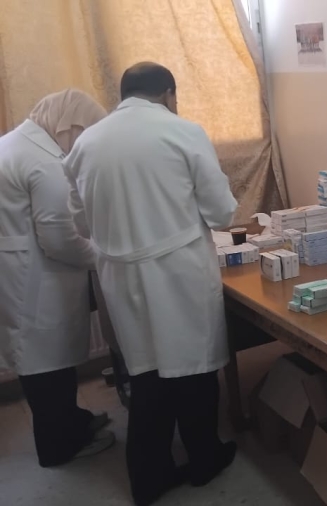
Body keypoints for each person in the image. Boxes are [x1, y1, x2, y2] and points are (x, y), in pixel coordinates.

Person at [64, 62, 238, 506]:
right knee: (195, 369)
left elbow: (80, 222)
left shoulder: (86, 143)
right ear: (167, 93)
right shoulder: (182, 132)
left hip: (121, 276)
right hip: (177, 270)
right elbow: (222, 213)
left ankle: (149, 477)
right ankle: (204, 460)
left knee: (146, 375)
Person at [0, 89, 115, 467]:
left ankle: (73, 421)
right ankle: (59, 447)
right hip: (35, 281)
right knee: (47, 367)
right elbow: (59, 239)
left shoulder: (14, 143)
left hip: (19, 274)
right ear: (69, 126)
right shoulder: (43, 161)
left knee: (46, 362)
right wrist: (106, 258)